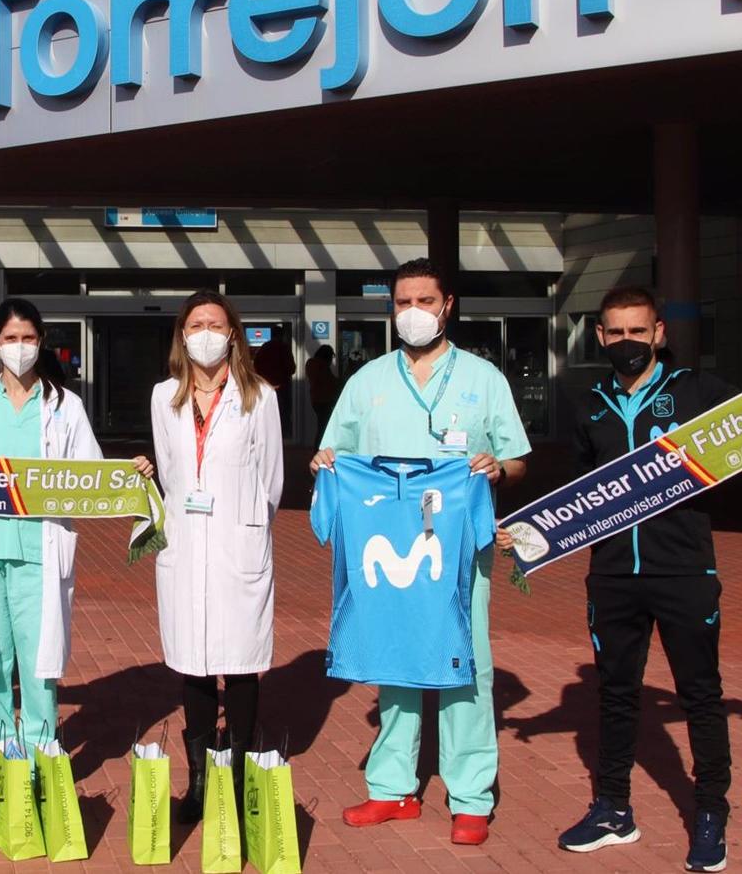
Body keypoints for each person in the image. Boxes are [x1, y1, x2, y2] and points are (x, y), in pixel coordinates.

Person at [549, 285, 742, 873]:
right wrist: (533, 537)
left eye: (637, 331)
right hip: (613, 576)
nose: (626, 342)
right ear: (600, 336)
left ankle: (712, 812)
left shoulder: (698, 392)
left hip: (685, 572)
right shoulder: (591, 405)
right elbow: (581, 492)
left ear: (658, 333)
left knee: (700, 695)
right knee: (615, 695)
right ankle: (613, 809)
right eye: (615, 332)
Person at [311, 257, 529, 845]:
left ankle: (471, 796)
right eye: (403, 302)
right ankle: (392, 789)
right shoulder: (367, 381)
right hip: (389, 547)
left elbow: (517, 459)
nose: (413, 312)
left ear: (447, 305)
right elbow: (335, 452)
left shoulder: (484, 378)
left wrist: (497, 469)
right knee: (396, 659)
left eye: (424, 301)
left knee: (466, 663)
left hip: (457, 549)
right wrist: (325, 462)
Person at [0, 298, 104, 752]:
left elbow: (93, 475)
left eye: (28, 338)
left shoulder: (65, 406)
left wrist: (132, 475)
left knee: (38, 657)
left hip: (39, 550)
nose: (20, 347)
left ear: (41, 341)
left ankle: (40, 751)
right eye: (11, 338)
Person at [149, 290, 283, 822]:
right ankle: (201, 782)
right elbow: (168, 471)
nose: (206, 333)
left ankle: (241, 777)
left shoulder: (260, 397)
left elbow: (271, 481)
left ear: (232, 335)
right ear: (182, 335)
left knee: (241, 664)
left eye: (215, 325)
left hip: (237, 544)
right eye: (196, 325)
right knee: (195, 665)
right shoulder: (164, 396)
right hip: (186, 544)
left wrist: (246, 525)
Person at [305, 344, 340, 446]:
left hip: (317, 399)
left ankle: (318, 447)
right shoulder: (322, 366)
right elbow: (329, 381)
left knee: (322, 426)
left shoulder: (311, 364)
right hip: (324, 400)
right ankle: (319, 448)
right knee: (323, 427)